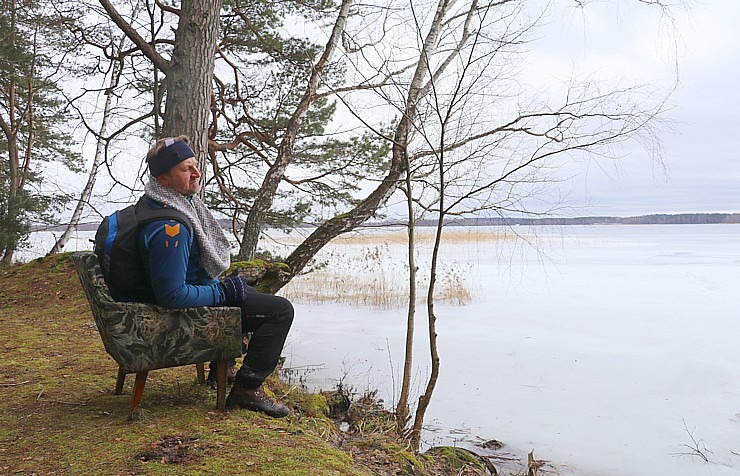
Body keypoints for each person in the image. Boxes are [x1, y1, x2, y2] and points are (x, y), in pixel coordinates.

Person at [138, 135, 293, 418]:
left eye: (196, 165)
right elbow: (172, 295)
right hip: (177, 313)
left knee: (253, 296)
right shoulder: (171, 226)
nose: (197, 173)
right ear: (163, 179)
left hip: (184, 296)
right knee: (280, 311)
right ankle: (247, 389)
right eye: (186, 169)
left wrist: (228, 289)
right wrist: (223, 293)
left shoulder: (164, 204)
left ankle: (222, 371)